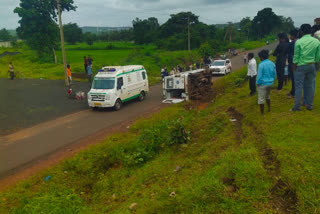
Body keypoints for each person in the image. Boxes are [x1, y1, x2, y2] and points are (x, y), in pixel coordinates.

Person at [291, 24, 320, 111]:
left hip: (300, 66)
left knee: (299, 87)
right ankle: (309, 105)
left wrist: (294, 68)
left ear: (302, 31)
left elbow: (296, 57)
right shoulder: (316, 41)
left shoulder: (298, 42)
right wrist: (313, 62)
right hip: (311, 65)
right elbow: (318, 56)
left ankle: (296, 106)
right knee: (310, 86)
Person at [256, 50, 276, 115]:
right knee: (267, 96)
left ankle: (262, 113)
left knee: (261, 98)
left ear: (261, 57)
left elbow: (259, 76)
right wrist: (272, 80)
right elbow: (274, 73)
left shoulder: (261, 65)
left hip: (263, 84)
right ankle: (269, 108)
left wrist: (258, 83)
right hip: (270, 83)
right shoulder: (272, 63)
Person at [287, 29, 299, 99]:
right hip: (297, 62)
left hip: (293, 63)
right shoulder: (298, 42)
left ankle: (294, 93)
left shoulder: (292, 43)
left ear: (292, 36)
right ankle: (292, 91)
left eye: (290, 35)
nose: (289, 36)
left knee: (294, 78)